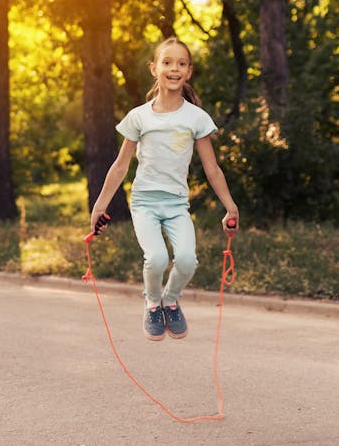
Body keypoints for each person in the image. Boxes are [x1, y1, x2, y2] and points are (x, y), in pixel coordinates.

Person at [90, 37, 239, 341]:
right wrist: (100, 205)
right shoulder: (139, 117)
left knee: (186, 260)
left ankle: (170, 299)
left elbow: (212, 169)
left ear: (189, 72)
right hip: (145, 202)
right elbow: (120, 166)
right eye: (167, 62)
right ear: (154, 68)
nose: (174, 69)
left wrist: (230, 206)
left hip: (176, 205)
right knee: (156, 259)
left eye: (181, 64)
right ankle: (152, 302)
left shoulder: (196, 118)